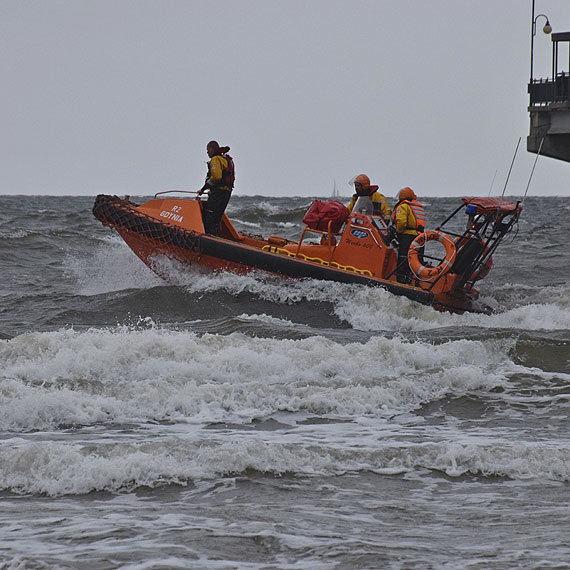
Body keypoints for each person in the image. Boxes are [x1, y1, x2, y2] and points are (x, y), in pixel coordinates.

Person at [197, 141, 235, 235]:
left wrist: (203, 189)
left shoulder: (215, 159)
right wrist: (211, 190)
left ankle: (209, 239)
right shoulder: (225, 159)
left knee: (209, 216)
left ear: (212, 149)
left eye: (208, 150)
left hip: (219, 193)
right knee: (217, 217)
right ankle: (215, 236)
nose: (207, 152)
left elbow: (216, 177)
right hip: (226, 193)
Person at [391, 187, 426, 283]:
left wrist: (397, 232)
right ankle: (416, 281)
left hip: (408, 237)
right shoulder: (416, 206)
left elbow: (401, 223)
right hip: (420, 237)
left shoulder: (403, 206)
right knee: (417, 260)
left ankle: (401, 280)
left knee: (403, 259)